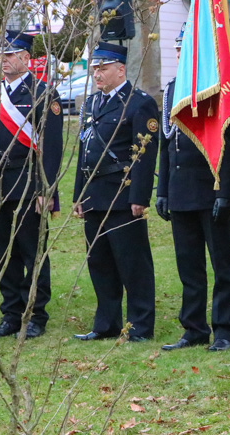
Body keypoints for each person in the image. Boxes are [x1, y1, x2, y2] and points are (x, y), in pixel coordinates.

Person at [156, 28, 230, 352]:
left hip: (211, 188)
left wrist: (225, 194)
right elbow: (167, 145)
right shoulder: (172, 89)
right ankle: (193, 328)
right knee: (188, 266)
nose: (181, 56)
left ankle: (223, 330)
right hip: (180, 192)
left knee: (222, 265)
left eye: (186, 50)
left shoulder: (219, 86)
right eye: (179, 50)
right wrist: (162, 189)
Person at [72, 41, 159, 342]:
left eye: (104, 67)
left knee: (132, 263)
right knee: (100, 262)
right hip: (95, 193)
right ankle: (106, 324)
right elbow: (84, 152)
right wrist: (78, 195)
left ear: (121, 69)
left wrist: (139, 197)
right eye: (95, 67)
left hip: (123, 195)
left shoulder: (139, 103)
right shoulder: (91, 104)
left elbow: (145, 155)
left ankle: (139, 326)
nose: (97, 73)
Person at [0, 30, 63, 339]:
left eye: (9, 55)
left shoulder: (43, 93)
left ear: (25, 58)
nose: (3, 61)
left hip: (28, 184)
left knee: (33, 253)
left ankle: (36, 314)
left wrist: (47, 191)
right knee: (3, 253)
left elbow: (52, 147)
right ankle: (11, 314)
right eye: (1, 56)